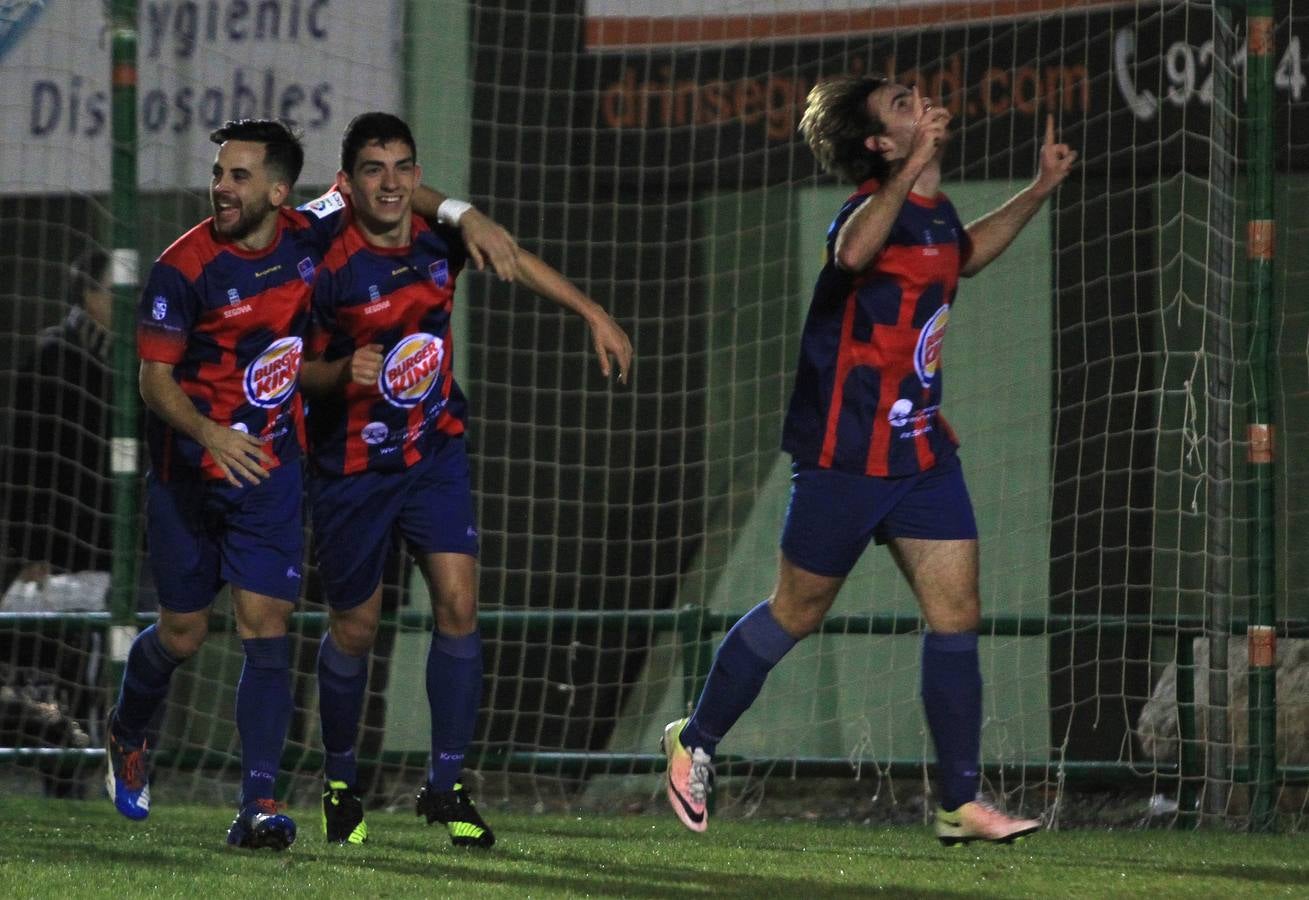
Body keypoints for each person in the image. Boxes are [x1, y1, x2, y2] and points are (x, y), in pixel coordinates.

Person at [661, 76, 1076, 844]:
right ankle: (695, 740)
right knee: (797, 612)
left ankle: (958, 803)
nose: (920, 100)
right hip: (845, 455)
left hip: (920, 451)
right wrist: (906, 166)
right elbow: (852, 251)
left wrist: (1039, 186)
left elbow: (966, 253)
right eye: (900, 105)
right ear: (880, 145)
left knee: (956, 615)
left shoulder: (934, 213)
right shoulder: (865, 213)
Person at [104, 116, 522, 850]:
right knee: (183, 632)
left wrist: (466, 213)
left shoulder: (310, 230)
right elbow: (153, 379)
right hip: (191, 474)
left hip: (270, 471)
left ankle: (258, 807)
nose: (221, 188)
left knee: (267, 628)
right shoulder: (184, 266)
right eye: (218, 175)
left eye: (238, 177)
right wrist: (209, 433)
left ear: (276, 189)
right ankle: (128, 728)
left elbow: (400, 192)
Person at [300, 112, 632, 848]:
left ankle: (446, 787)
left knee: (458, 604)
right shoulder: (320, 255)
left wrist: (591, 312)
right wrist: (332, 374)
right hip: (350, 468)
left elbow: (510, 255)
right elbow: (285, 364)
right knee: (355, 628)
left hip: (433, 454)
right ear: (347, 181)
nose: (391, 183)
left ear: (417, 176)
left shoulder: (440, 239)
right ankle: (339, 781)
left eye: (403, 168)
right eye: (373, 170)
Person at [2, 249, 114, 587]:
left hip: (121, 542)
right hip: (63, 546)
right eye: (119, 291)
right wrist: (29, 552)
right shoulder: (52, 358)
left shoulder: (132, 361)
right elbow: (24, 463)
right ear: (90, 295)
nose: (133, 302)